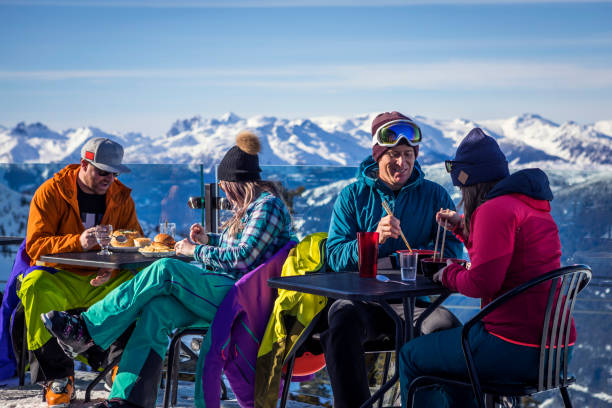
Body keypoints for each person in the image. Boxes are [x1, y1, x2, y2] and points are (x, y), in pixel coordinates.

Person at [42, 130, 296, 408]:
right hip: (229, 291)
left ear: (236, 182)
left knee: (165, 269)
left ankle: (87, 329)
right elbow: (243, 246)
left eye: (224, 185)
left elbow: (243, 257)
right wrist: (207, 240)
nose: (222, 190)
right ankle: (128, 400)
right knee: (157, 310)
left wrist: (194, 250)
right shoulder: (254, 208)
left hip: (243, 300)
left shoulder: (266, 206)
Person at [399, 128, 567, 407]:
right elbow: (506, 253)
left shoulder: (493, 210)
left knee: (412, 356)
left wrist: (448, 273)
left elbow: (482, 284)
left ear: (470, 183)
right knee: (453, 361)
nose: (462, 194)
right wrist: (464, 227)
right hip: (553, 353)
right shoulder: (528, 205)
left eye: (462, 188)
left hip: (511, 348)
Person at [323, 111, 463, 408]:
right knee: (341, 324)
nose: (402, 163)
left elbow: (452, 253)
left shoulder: (435, 195)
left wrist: (418, 258)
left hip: (415, 306)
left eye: (408, 154)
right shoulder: (353, 196)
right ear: (377, 156)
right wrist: (373, 239)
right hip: (363, 303)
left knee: (448, 331)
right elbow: (335, 256)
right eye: (394, 154)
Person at [18, 137, 142, 407]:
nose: (109, 178)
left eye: (113, 173)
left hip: (102, 278)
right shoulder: (51, 192)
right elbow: (35, 245)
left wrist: (111, 269)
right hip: (61, 276)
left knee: (139, 283)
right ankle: (58, 378)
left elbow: (133, 241)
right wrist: (78, 241)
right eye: (102, 171)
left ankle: (117, 367)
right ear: (84, 165)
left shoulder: (121, 197)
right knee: (34, 285)